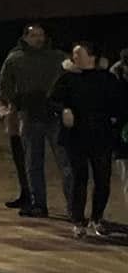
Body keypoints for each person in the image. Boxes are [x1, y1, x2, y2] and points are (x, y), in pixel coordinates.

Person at [50, 42, 128, 238]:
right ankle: (78, 220)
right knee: (79, 178)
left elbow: (119, 105)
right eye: (74, 54)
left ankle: (97, 218)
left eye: (79, 54)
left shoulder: (106, 79)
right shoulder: (67, 78)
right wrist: (63, 111)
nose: (74, 58)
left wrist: (114, 125)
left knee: (102, 180)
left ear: (91, 57)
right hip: (75, 137)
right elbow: (52, 100)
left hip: (101, 136)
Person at [0, 23, 70, 218]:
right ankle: (38, 203)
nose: (39, 39)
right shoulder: (15, 59)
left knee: (65, 162)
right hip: (30, 115)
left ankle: (74, 206)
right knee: (33, 161)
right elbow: (5, 86)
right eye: (34, 35)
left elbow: (71, 80)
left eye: (41, 35)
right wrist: (15, 104)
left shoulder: (58, 57)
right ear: (26, 37)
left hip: (54, 115)